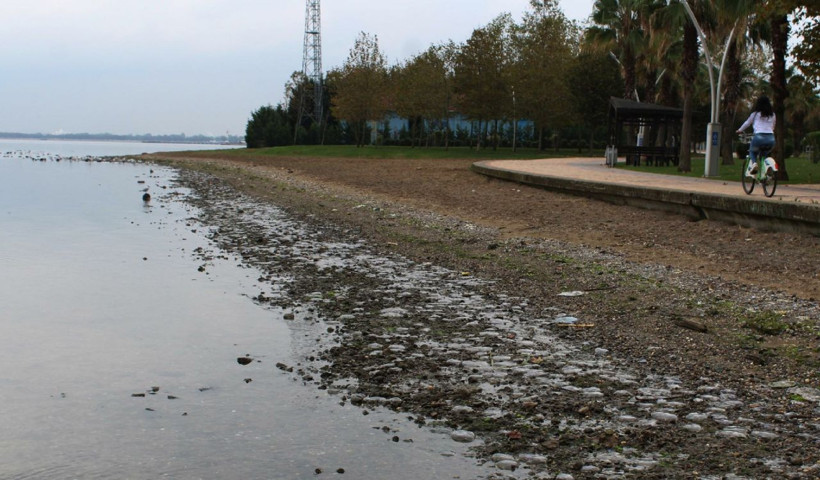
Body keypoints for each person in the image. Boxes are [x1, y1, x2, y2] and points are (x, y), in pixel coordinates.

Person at [736, 95, 776, 177]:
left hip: (759, 137)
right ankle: (766, 171)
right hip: (771, 138)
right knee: (764, 154)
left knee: (752, 151)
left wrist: (739, 130)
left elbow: (747, 123)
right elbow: (773, 126)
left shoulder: (755, 114)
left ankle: (754, 164)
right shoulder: (773, 115)